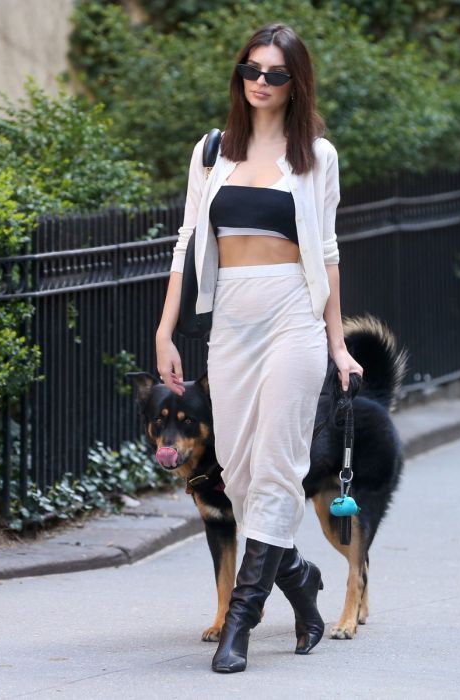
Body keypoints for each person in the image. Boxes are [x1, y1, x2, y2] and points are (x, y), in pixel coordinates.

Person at [155, 22, 362, 673]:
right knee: (239, 474)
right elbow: (188, 242)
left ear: (296, 82)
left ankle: (241, 621)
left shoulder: (316, 157)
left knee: (276, 466)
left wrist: (337, 343)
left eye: (275, 73)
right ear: (239, 75)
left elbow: (327, 252)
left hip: (293, 317)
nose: (261, 82)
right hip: (231, 323)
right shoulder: (212, 151)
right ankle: (300, 578)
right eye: (252, 70)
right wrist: (164, 330)